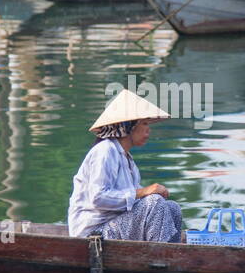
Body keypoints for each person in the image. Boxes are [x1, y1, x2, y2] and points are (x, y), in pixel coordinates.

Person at [68, 90, 184, 242]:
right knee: (155, 203)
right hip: (93, 233)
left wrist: (147, 194)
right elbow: (98, 198)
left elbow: (133, 202)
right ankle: (159, 258)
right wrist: (144, 192)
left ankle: (170, 255)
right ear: (128, 126)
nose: (148, 130)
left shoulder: (127, 160)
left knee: (172, 207)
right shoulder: (105, 151)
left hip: (114, 225)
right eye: (144, 123)